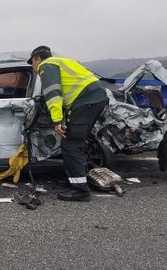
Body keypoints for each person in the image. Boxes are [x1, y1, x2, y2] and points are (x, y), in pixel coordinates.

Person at [28, 45, 108, 202]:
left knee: (71, 145)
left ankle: (81, 191)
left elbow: (53, 94)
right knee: (75, 143)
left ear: (37, 58)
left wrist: (57, 121)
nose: (32, 66)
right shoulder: (61, 61)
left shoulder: (46, 65)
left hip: (87, 101)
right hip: (93, 100)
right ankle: (76, 180)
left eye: (32, 62)